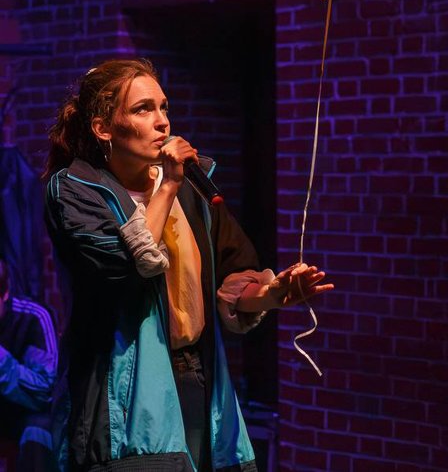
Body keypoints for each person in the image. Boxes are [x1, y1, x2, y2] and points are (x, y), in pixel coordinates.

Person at [44, 58, 333, 472]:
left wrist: (273, 293)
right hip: (125, 394)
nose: (162, 121)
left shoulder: (191, 190)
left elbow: (233, 274)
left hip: (198, 378)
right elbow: (123, 266)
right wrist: (168, 186)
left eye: (164, 107)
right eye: (143, 109)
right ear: (103, 128)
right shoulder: (77, 191)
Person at [0, 258, 58, 471]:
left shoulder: (32, 318)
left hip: (25, 416)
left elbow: (46, 391)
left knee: (38, 430)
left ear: (5, 294)